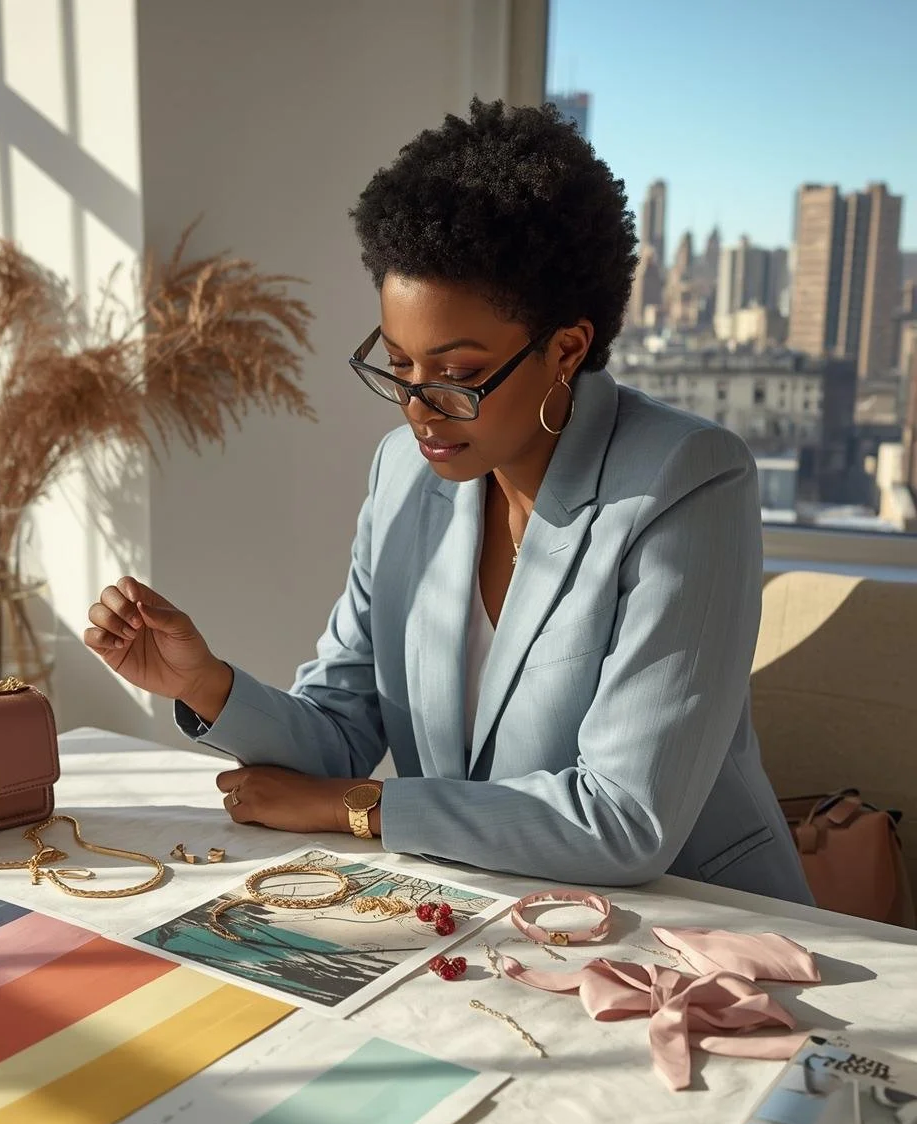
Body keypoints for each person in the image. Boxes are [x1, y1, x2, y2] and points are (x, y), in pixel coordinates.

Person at [84, 99, 813, 905]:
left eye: (459, 375)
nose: (418, 408)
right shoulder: (405, 473)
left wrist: (358, 810)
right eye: (398, 364)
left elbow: (623, 818)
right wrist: (206, 684)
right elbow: (340, 733)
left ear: (566, 349)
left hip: (695, 924)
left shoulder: (687, 481)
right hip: (484, 906)